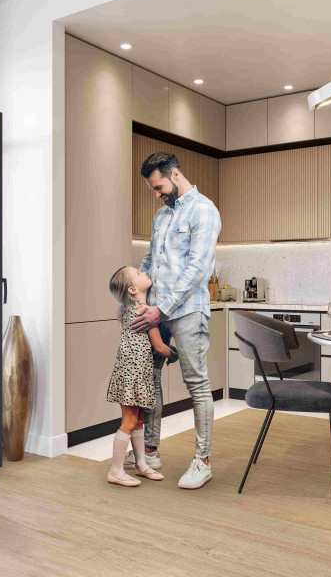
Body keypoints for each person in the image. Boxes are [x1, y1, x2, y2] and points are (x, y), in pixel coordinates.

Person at [130, 152, 221, 490]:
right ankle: (150, 452)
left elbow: (198, 269)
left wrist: (162, 308)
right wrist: (138, 290)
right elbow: (151, 258)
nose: (157, 193)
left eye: (159, 187)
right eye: (154, 189)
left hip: (186, 311)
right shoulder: (160, 216)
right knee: (149, 378)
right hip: (155, 312)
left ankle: (203, 461)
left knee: (196, 383)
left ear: (176, 175)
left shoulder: (204, 210)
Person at [106, 266, 177, 487]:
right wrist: (177, 354)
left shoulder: (127, 309)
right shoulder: (144, 311)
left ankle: (141, 465)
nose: (144, 272)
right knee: (129, 422)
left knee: (138, 421)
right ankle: (115, 470)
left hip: (132, 371)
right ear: (132, 288)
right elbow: (160, 347)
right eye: (138, 273)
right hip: (134, 373)